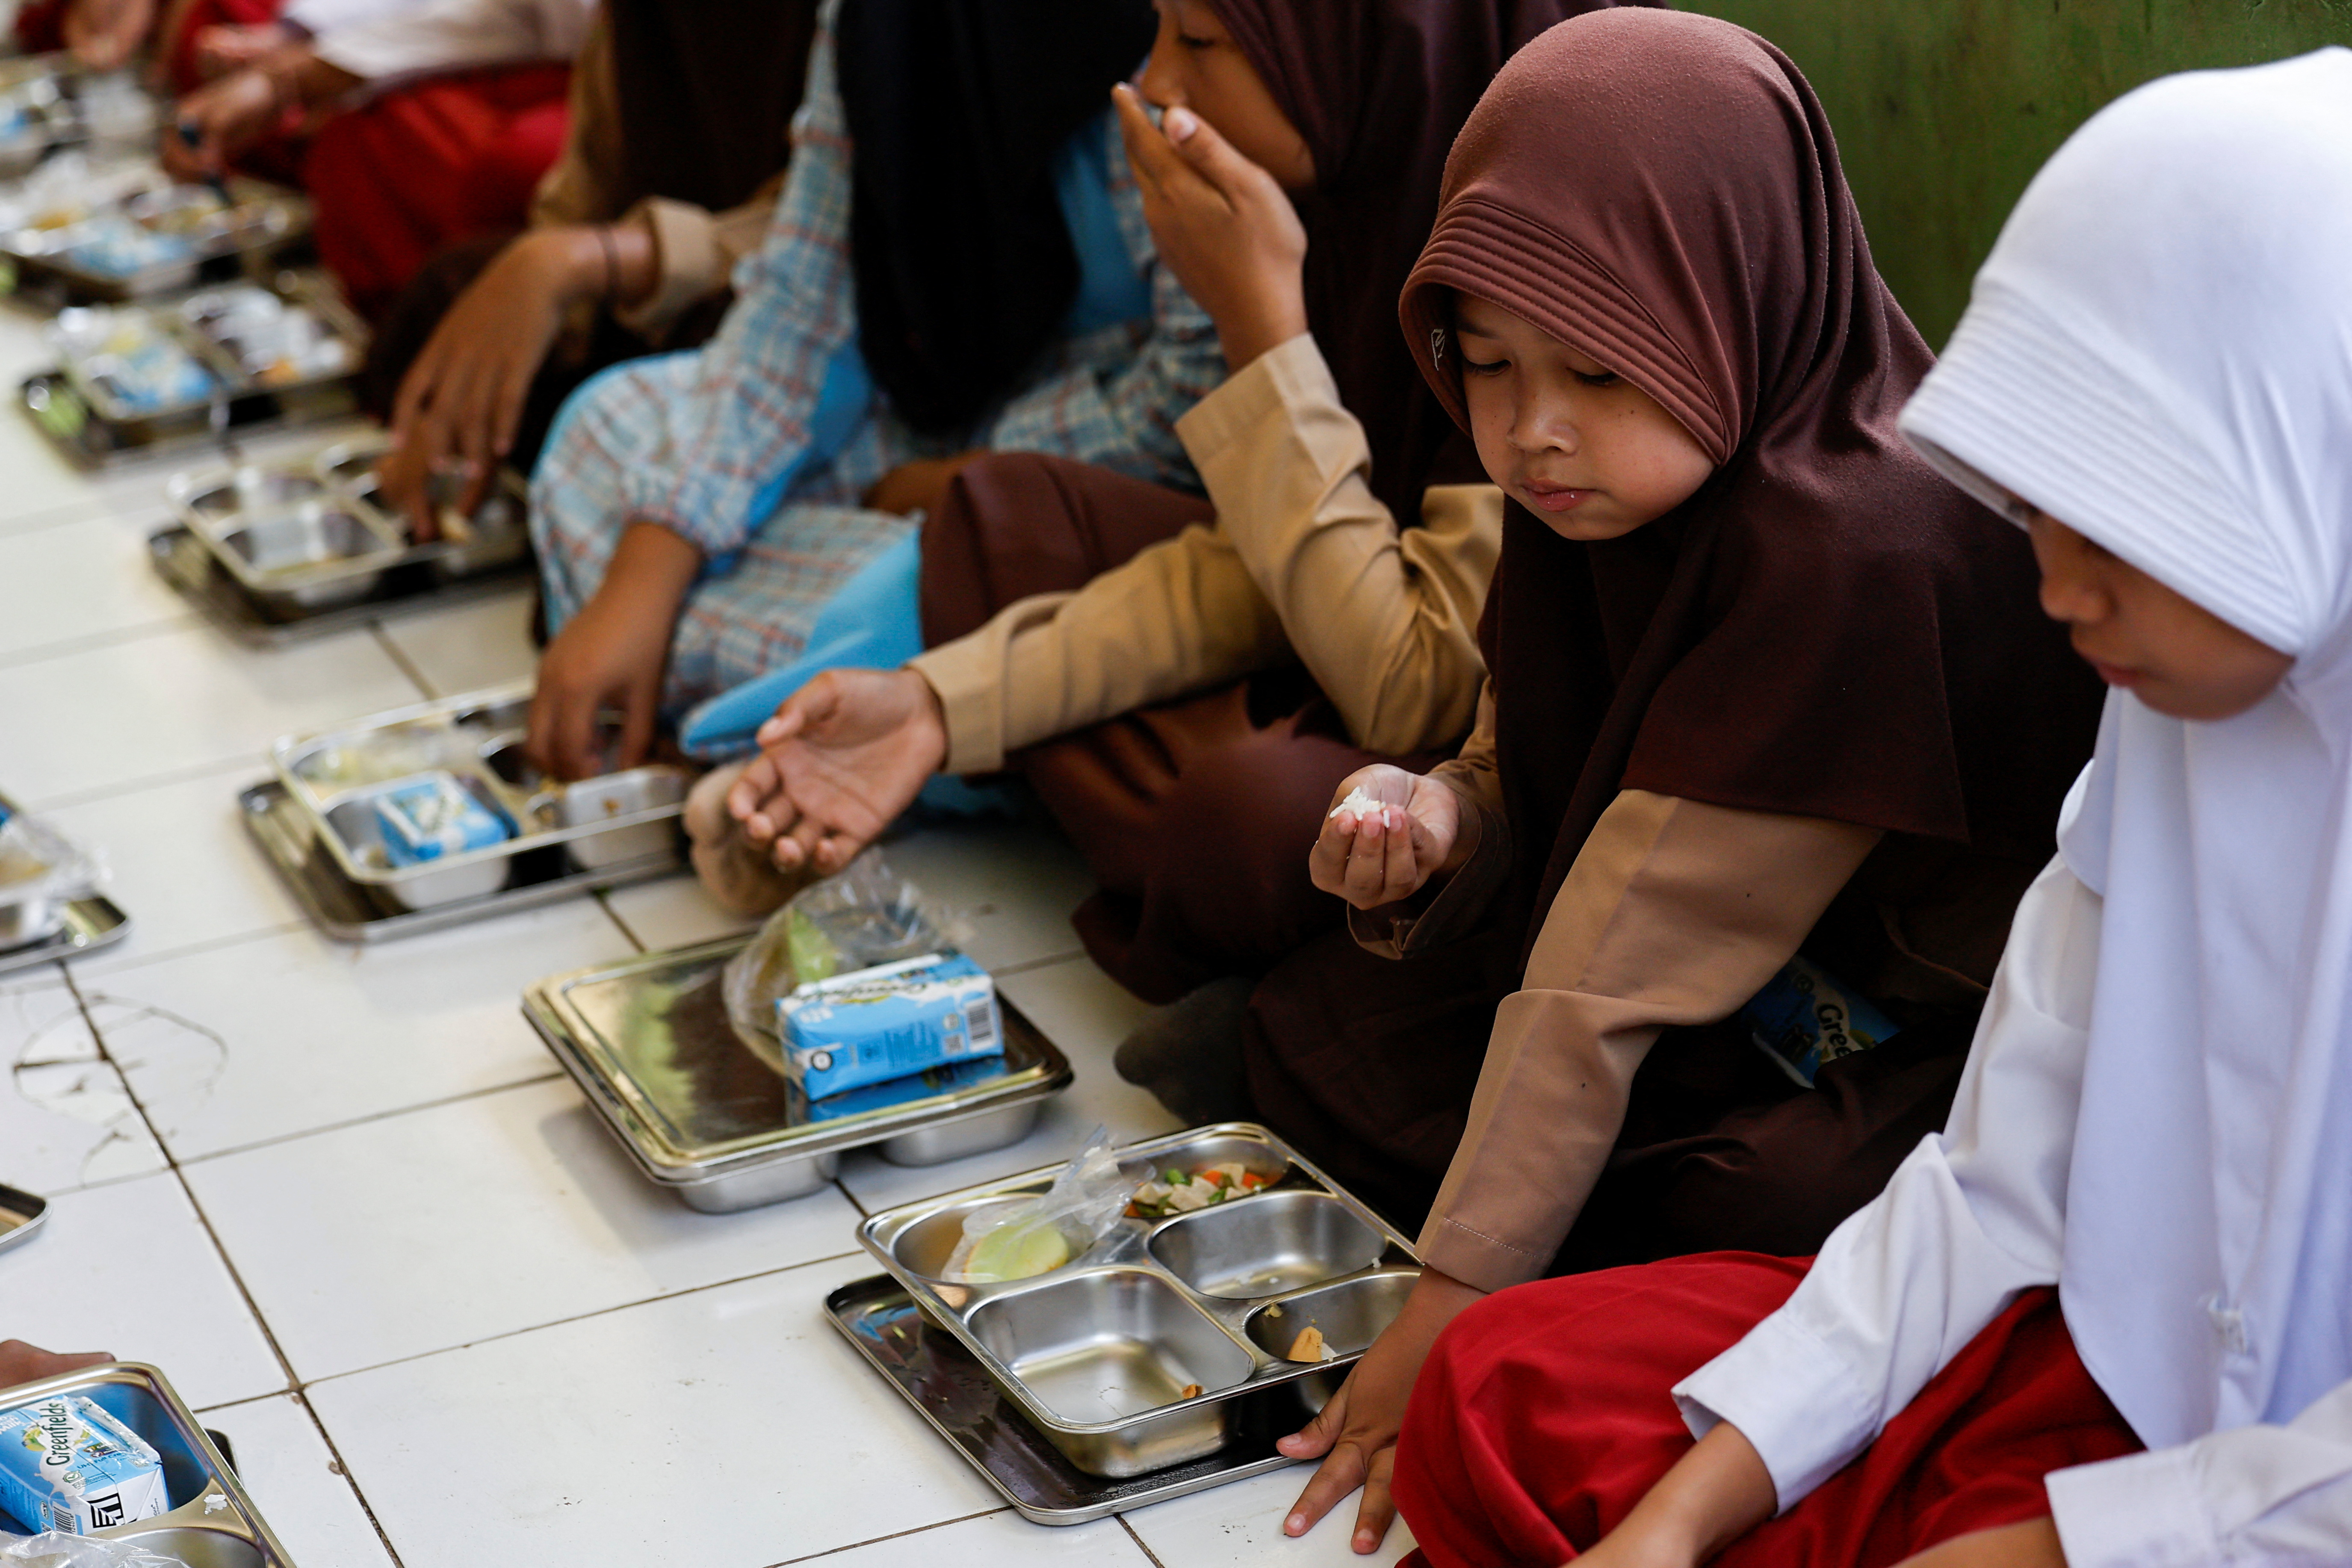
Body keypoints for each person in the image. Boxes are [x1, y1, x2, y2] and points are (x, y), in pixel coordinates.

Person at [1389, 44, 2352, 1568]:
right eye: (2036, 512)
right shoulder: (2179, 697)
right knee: (1505, 1386)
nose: (2053, 589)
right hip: (2106, 1364)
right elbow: (1995, 1174)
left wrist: (2054, 1549)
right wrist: (1688, 1508)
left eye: (2123, 526)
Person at [1268, 10, 2106, 1547]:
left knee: (1731, 1198)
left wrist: (1442, 1307)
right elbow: (1555, 766)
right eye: (1489, 362)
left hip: (1925, 1036)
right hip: (1731, 984)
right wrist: (1453, 814)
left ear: (1738, 305)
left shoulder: (1860, 555)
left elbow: (1611, 975)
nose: (1529, 431)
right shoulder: (1598, 487)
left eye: (1599, 367)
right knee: (1299, 945)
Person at [701, 0, 1627, 1013]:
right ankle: (1258, 931)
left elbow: (1408, 688)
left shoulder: (1531, 265)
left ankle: (1311, 958)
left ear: (1347, 43)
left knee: (1260, 818)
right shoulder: (1359, 198)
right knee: (1002, 515)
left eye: (1198, 41)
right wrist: (935, 703)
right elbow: (1255, 567)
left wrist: (1260, 329)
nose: (1153, 86)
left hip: (1462, 740)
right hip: (1347, 619)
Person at [520, 0, 1224, 783]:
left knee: (915, 604)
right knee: (602, 430)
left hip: (1097, 495)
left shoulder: (1174, 44)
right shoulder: (878, 17)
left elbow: (1190, 402)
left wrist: (958, 483)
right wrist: (652, 563)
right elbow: (804, 302)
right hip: (923, 420)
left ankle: (840, 716)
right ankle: (816, 720)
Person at [366, 0, 820, 532]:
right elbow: (597, 153)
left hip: (795, 301)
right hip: (646, 278)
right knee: (452, 293)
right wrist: (549, 297)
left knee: (648, 409)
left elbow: (832, 226)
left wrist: (579, 262)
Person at [164, 0, 591, 323]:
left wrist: (302, 72)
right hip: (503, 31)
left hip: (575, 71)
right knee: (214, 17)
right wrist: (296, 54)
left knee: (487, 157)